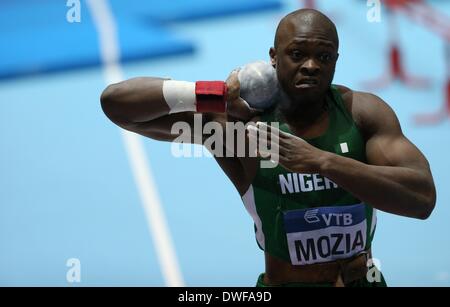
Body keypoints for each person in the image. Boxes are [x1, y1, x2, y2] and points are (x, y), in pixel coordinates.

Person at [100, 8, 436, 287]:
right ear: (273, 57)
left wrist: (322, 162)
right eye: (297, 54)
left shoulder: (363, 114)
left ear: (336, 59)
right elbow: (117, 104)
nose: (311, 65)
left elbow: (422, 199)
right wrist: (213, 93)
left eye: (323, 56)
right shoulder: (239, 129)